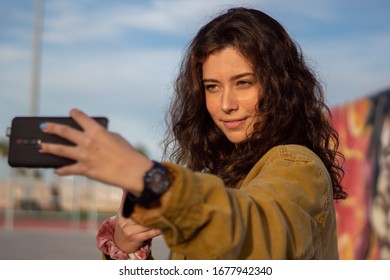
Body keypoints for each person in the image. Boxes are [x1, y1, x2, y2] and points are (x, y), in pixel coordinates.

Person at [38, 7, 347, 259]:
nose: (225, 104)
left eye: (244, 83)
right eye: (212, 87)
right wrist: (126, 246)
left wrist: (148, 177)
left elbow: (257, 235)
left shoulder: (295, 164)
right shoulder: (227, 173)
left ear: (281, 87)